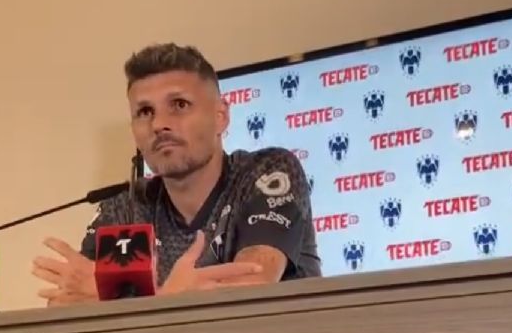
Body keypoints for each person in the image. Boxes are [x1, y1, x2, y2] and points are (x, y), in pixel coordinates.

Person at [33, 43, 321, 306]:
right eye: (145, 111)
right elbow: (66, 306)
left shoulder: (266, 172)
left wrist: (131, 297)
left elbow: (250, 285)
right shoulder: (126, 208)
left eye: (179, 105)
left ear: (221, 116)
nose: (159, 124)